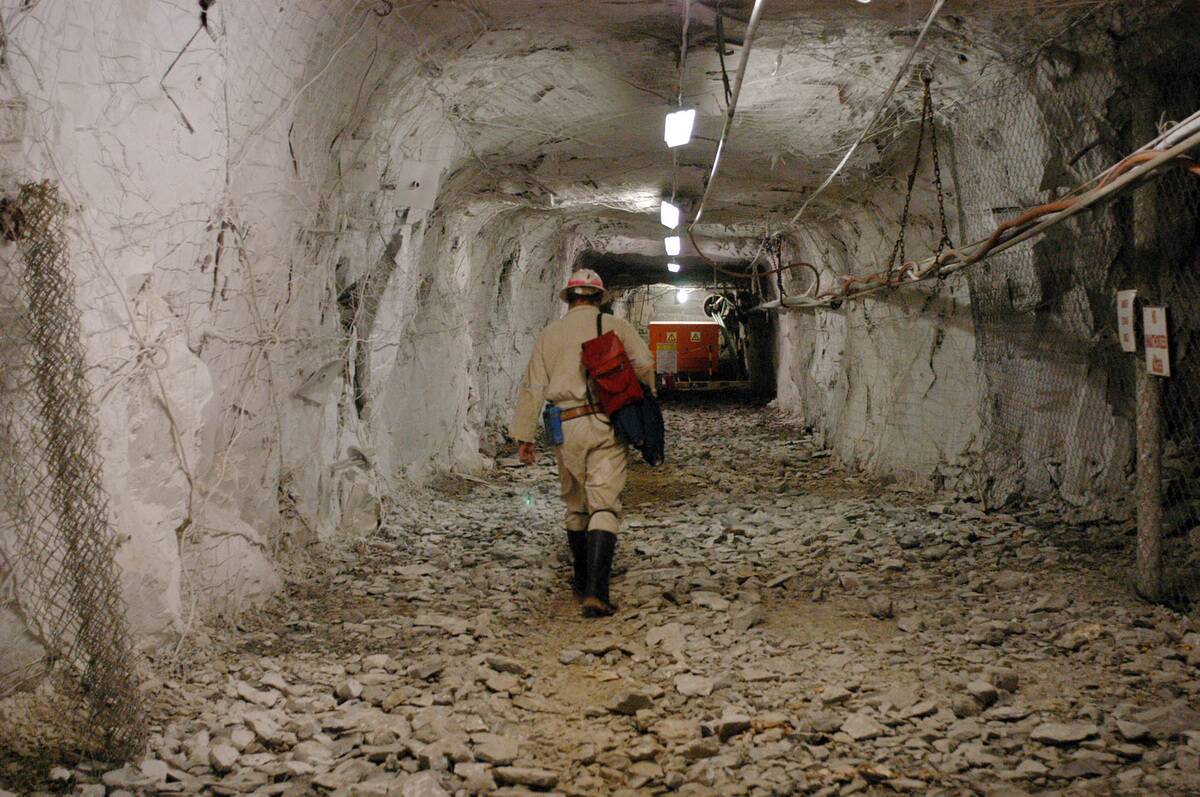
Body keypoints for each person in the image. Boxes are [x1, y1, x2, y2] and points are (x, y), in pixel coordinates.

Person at [510, 269, 654, 617]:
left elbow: (533, 387)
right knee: (604, 504)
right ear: (599, 297)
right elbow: (645, 363)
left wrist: (524, 435)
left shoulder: (550, 334)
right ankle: (597, 592)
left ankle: (580, 579)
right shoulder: (615, 326)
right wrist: (642, 397)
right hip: (605, 422)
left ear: (569, 299)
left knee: (575, 504)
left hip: (564, 425)